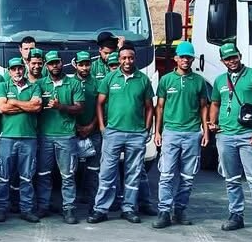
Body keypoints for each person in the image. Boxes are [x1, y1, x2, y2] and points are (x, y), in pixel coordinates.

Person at [208, 42, 252, 239]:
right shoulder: (220, 80)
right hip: (225, 136)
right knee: (231, 179)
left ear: (239, 55)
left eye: (234, 56)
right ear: (222, 61)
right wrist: (212, 122)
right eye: (227, 58)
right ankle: (236, 215)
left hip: (249, 135)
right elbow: (215, 103)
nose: (232, 61)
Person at [88, 42, 153, 225]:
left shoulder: (143, 79)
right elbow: (99, 103)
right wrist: (102, 127)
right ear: (119, 58)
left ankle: (129, 208)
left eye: (130, 57)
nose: (127, 61)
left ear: (135, 58)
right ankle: (101, 209)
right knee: (107, 173)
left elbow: (150, 107)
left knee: (133, 173)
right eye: (124, 58)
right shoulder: (110, 78)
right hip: (113, 133)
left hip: (136, 135)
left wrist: (146, 130)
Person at [152, 41, 209, 229]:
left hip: (192, 133)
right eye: (182, 57)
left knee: (188, 176)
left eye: (189, 57)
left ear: (192, 59)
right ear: (176, 58)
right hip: (171, 133)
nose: (185, 60)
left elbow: (203, 107)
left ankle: (180, 210)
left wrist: (205, 131)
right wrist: (157, 132)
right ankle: (164, 212)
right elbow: (159, 107)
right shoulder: (166, 80)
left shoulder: (199, 81)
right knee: (166, 175)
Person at [36, 51, 84, 224]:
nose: (54, 66)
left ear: (61, 63)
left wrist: (60, 106)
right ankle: (43, 206)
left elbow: (79, 108)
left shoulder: (73, 83)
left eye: (56, 62)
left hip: (66, 136)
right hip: (45, 135)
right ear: (46, 66)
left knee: (68, 174)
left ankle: (69, 208)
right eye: (50, 63)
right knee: (43, 173)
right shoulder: (40, 84)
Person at [0, 57, 43, 222]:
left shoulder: (34, 86)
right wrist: (26, 106)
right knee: (3, 176)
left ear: (24, 69)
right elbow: (2, 108)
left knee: (27, 176)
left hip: (29, 138)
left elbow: (36, 107)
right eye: (13, 69)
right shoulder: (3, 86)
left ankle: (26, 209)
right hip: (7, 138)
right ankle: (1, 208)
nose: (17, 72)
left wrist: (14, 101)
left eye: (20, 68)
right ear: (9, 71)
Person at [74, 51, 101, 206]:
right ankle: (74, 201)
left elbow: (100, 108)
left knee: (93, 168)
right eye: (81, 64)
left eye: (87, 64)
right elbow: (69, 108)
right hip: (74, 131)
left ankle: (92, 201)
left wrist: (91, 126)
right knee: (73, 168)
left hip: (94, 131)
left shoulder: (97, 83)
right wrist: (78, 127)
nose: (84, 68)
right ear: (75, 65)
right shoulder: (70, 83)